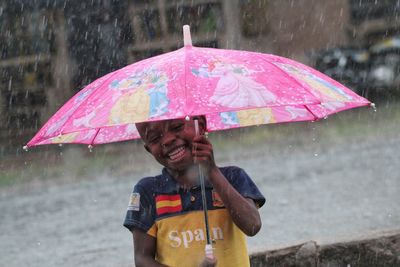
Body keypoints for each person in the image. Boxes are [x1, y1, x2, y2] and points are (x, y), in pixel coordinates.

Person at [123, 116, 265, 267]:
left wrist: (212, 171)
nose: (167, 140)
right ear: (148, 149)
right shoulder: (148, 192)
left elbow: (252, 226)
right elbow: (142, 259)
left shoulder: (233, 177)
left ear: (201, 126)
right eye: (154, 138)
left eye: (177, 127)